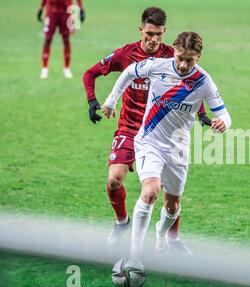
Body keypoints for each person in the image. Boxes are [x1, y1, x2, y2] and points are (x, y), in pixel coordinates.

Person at [83, 8, 211, 253]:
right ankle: (122, 222)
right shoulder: (125, 54)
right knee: (113, 181)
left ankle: (172, 239)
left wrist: (203, 114)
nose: (154, 40)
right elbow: (90, 73)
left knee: (167, 192)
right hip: (130, 128)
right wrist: (92, 101)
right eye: (150, 33)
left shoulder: (172, 57)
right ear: (140, 30)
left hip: (159, 133)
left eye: (159, 35)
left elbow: (192, 85)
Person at [102, 31, 231, 258]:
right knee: (150, 191)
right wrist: (111, 101)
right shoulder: (157, 66)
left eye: (188, 60)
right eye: (179, 57)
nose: (182, 64)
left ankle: (161, 236)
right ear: (174, 51)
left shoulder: (204, 82)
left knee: (172, 206)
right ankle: (135, 256)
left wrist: (223, 123)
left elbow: (223, 112)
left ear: (198, 57)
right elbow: (128, 73)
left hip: (177, 150)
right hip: (149, 142)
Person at [37, 0, 85, 79]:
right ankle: (44, 68)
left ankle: (67, 68)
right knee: (47, 39)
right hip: (51, 11)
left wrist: (81, 7)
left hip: (65, 11)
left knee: (66, 39)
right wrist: (41, 7)